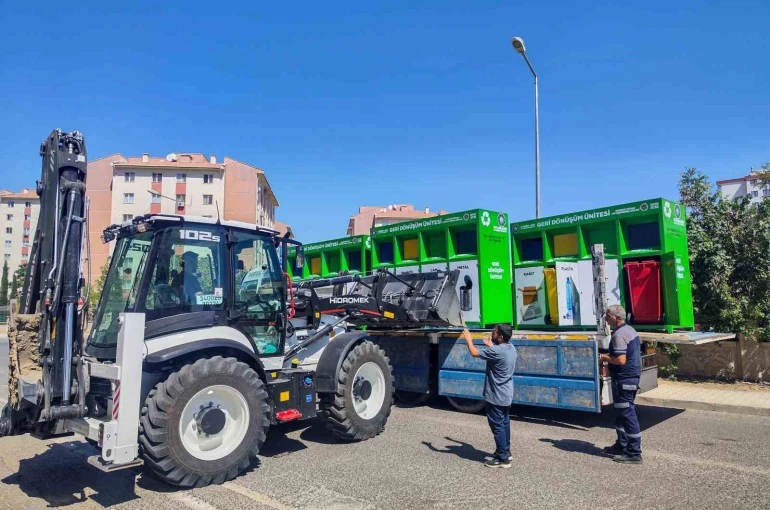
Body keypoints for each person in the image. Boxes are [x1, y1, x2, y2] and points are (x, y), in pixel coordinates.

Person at [461, 324, 517, 468]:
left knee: (497, 426)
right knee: (504, 423)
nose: (491, 334)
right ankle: (506, 452)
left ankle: (502, 459)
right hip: (506, 395)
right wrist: (491, 345)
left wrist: (468, 339)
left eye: (494, 333)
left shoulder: (497, 351)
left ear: (500, 337)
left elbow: (474, 352)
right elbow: (498, 352)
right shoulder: (511, 348)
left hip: (496, 396)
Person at [600, 304, 643, 464]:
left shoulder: (619, 335)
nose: (606, 317)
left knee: (627, 414)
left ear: (617, 317)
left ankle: (634, 453)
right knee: (621, 413)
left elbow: (620, 360)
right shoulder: (630, 330)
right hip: (629, 378)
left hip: (624, 380)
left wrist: (604, 358)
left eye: (608, 315)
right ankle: (621, 445)